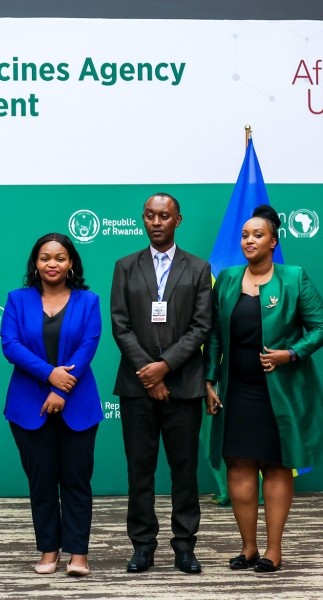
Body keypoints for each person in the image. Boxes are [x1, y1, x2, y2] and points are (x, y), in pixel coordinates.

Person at [204, 204, 323, 573]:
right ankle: (248, 548)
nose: (249, 240)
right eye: (245, 235)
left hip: (281, 392)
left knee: (276, 467)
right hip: (237, 389)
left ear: (273, 241)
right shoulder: (227, 279)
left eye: (257, 235)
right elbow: (214, 335)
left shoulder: (294, 278)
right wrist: (209, 379)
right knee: (239, 464)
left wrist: (290, 354)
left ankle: (273, 551)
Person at [110, 193, 212, 575]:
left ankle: (185, 546)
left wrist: (165, 367)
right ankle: (142, 546)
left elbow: (201, 326)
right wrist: (148, 372)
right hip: (136, 387)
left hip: (183, 386)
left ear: (177, 220)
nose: (156, 222)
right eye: (150, 216)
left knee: (184, 470)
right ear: (143, 219)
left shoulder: (198, 268)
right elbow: (120, 325)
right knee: (140, 471)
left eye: (164, 216)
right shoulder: (125, 266)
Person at [1, 233, 104, 576]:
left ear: (71, 263)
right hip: (28, 405)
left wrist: (62, 389)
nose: (52, 264)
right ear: (35, 263)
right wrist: (50, 375)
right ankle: (49, 550)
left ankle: (78, 553)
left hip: (78, 403)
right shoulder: (17, 300)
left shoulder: (89, 301)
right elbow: (11, 345)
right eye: (45, 257)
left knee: (76, 480)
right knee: (41, 482)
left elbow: (88, 346)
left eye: (60, 257)